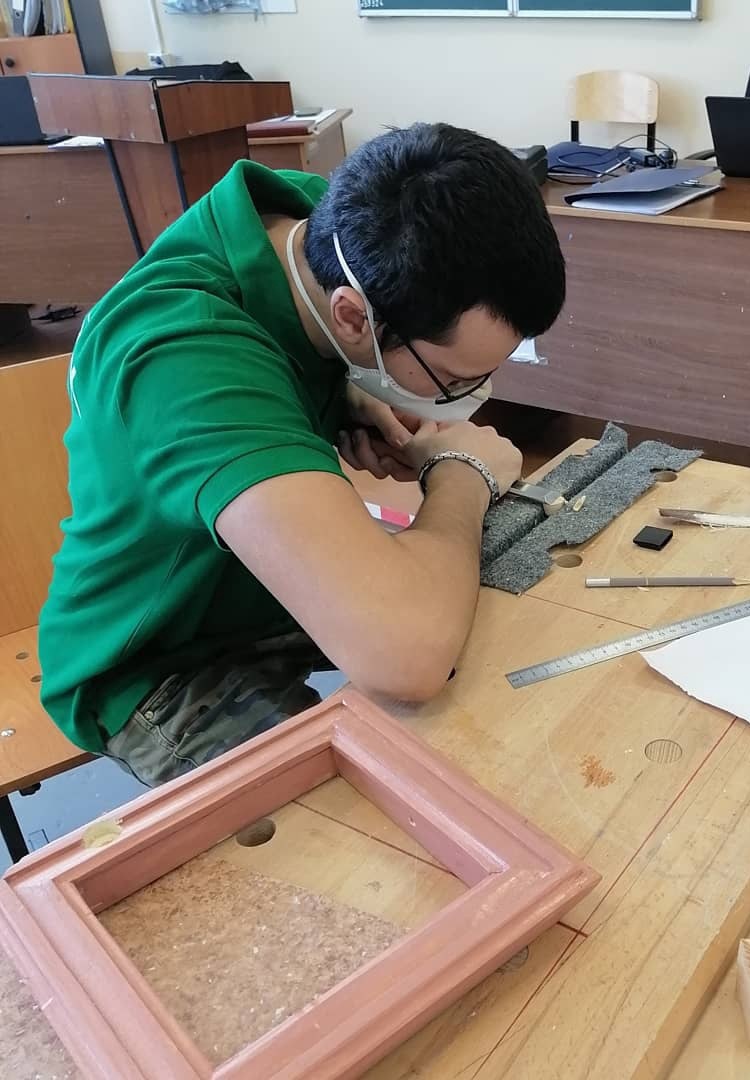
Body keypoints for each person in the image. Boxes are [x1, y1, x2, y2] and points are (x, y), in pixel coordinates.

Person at [37, 123, 566, 786]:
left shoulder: (329, 229)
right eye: (454, 380)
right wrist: (463, 473)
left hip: (253, 588)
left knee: (504, 645)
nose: (470, 399)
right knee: (384, 806)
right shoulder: (186, 357)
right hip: (161, 656)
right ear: (353, 318)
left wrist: (347, 388)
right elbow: (404, 656)